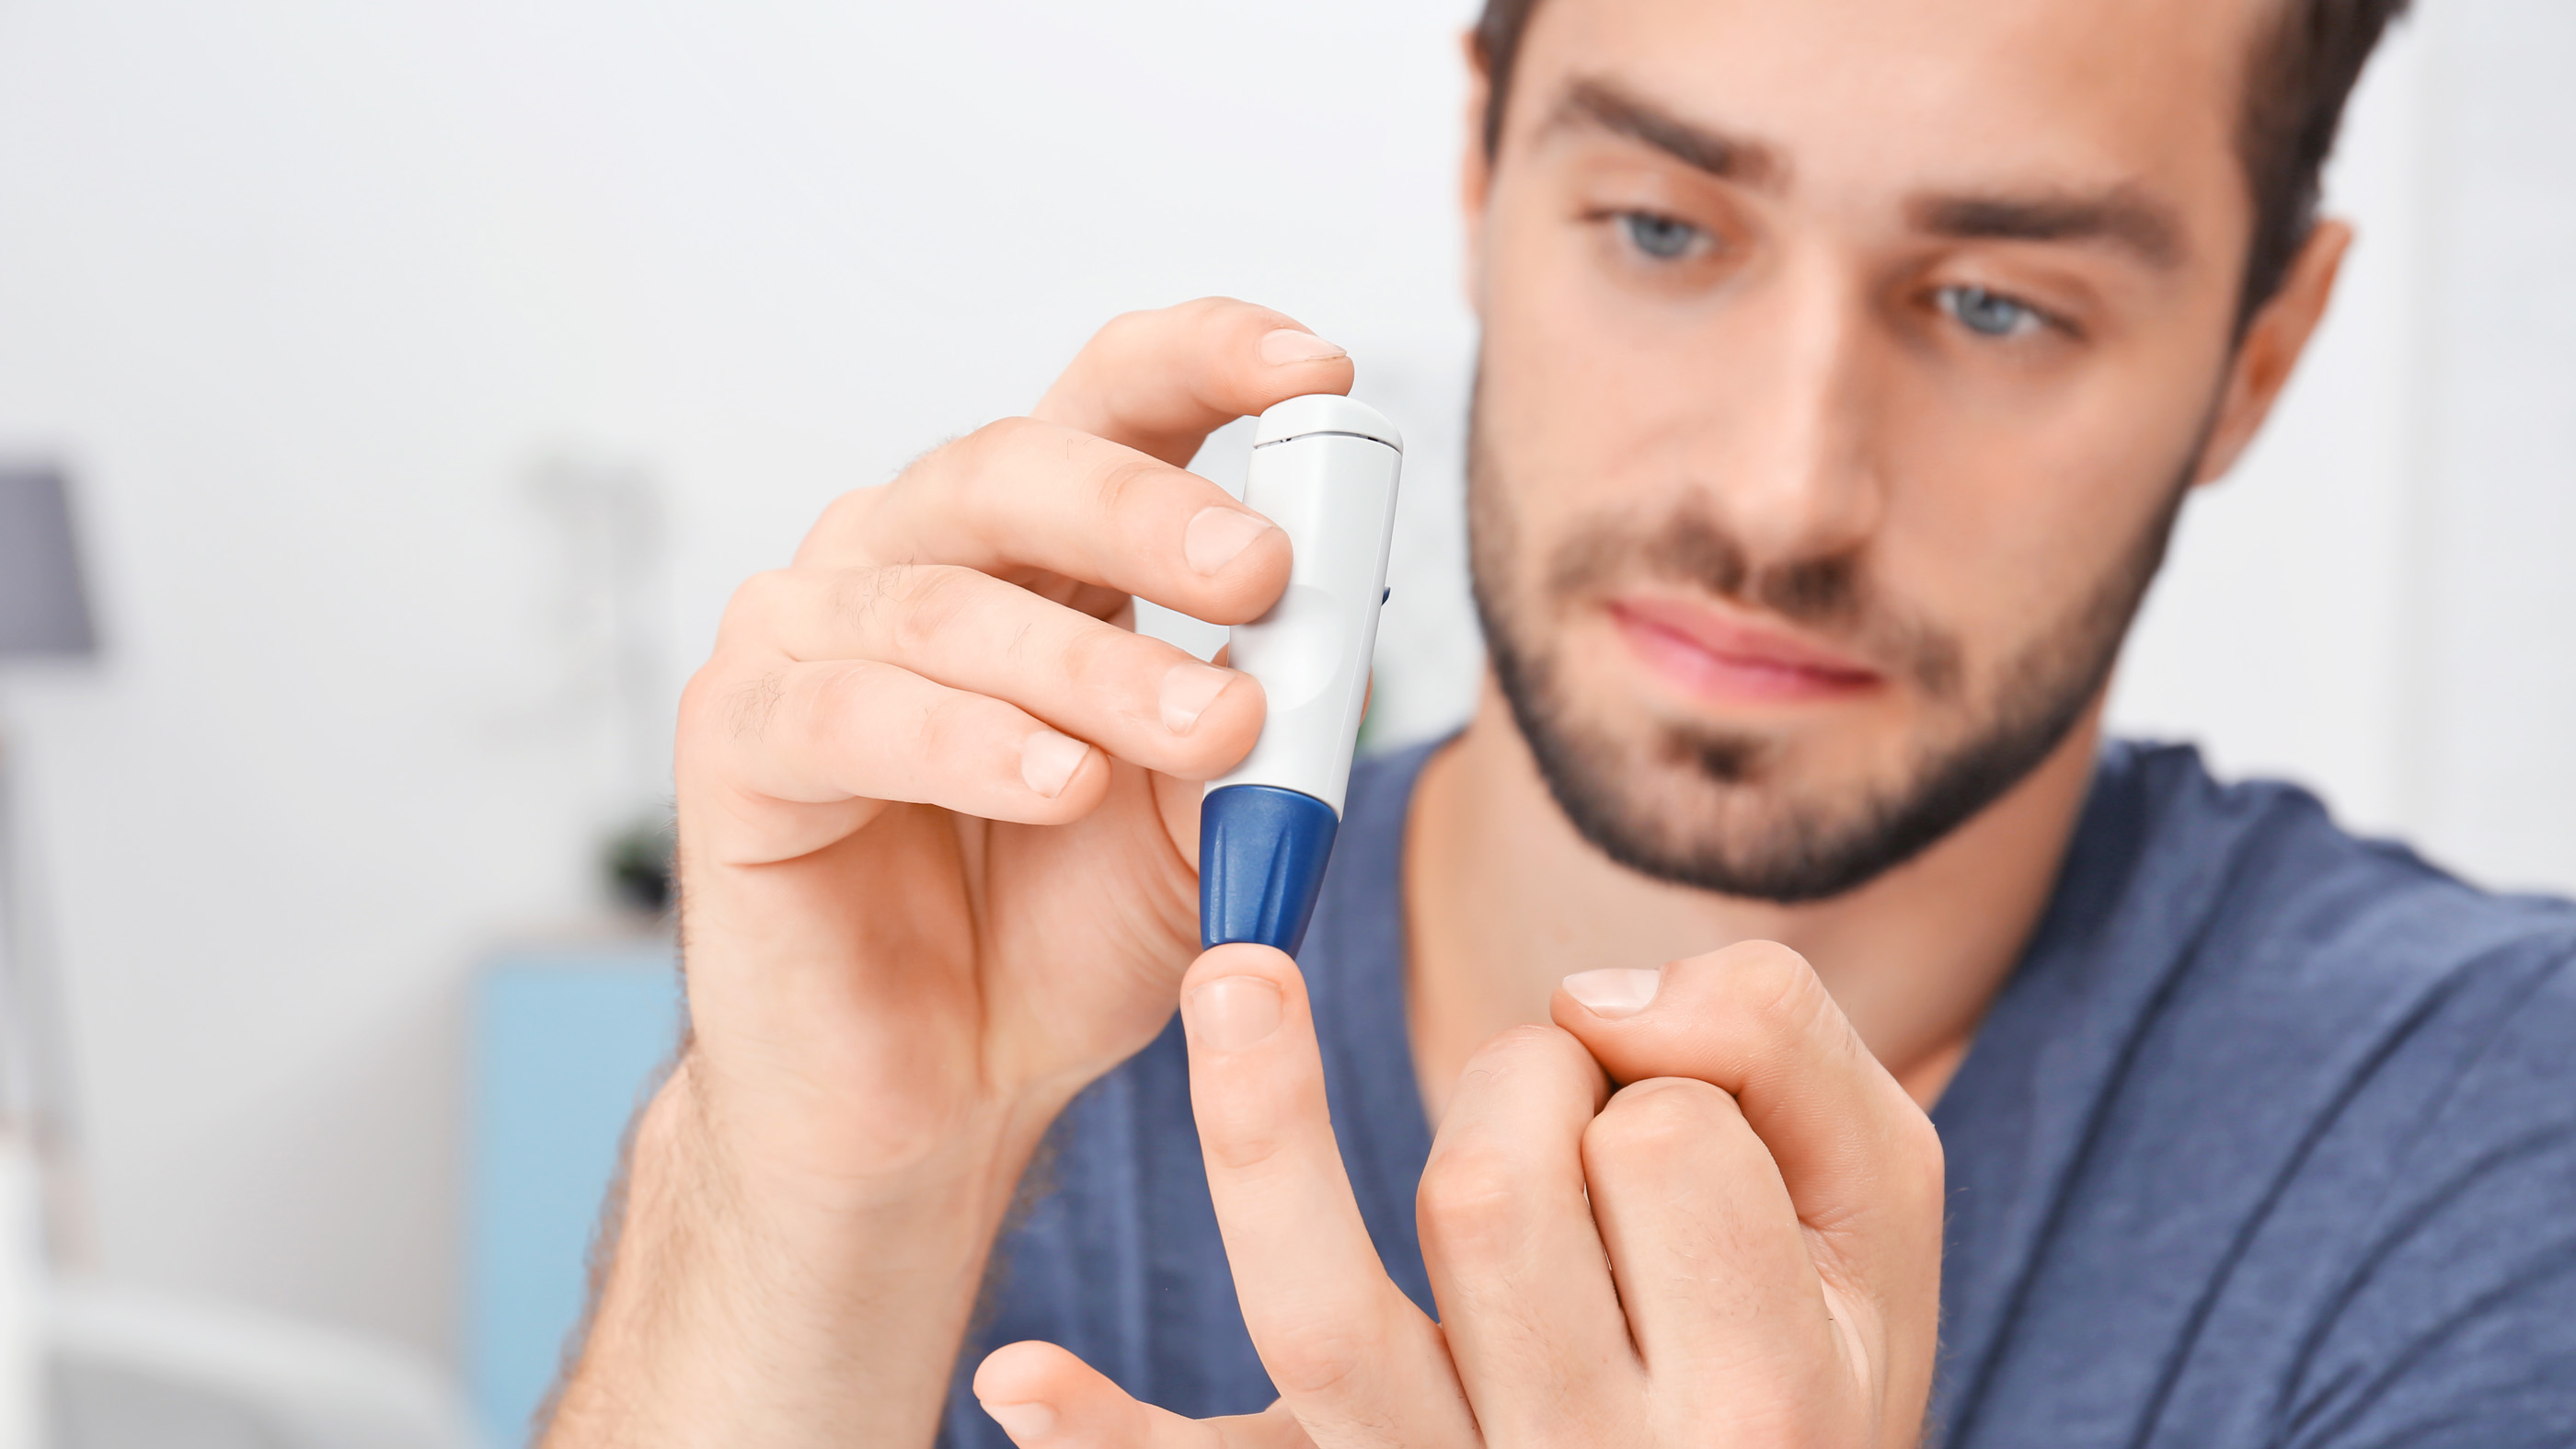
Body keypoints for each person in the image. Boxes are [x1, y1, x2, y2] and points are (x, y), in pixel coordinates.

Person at [545, 0, 2576, 1443]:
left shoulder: (2490, 1145)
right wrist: (818, 1208)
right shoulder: (1016, 970)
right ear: (1481, 164)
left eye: (1993, 303)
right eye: (1664, 230)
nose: (1780, 492)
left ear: (2256, 353)